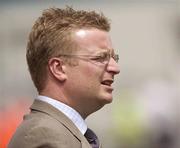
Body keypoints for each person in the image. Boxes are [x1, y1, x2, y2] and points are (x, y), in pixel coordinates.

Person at [8, 6, 120, 148]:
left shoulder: (60, 131)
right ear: (58, 68)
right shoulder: (45, 136)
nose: (115, 68)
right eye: (99, 58)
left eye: (113, 58)